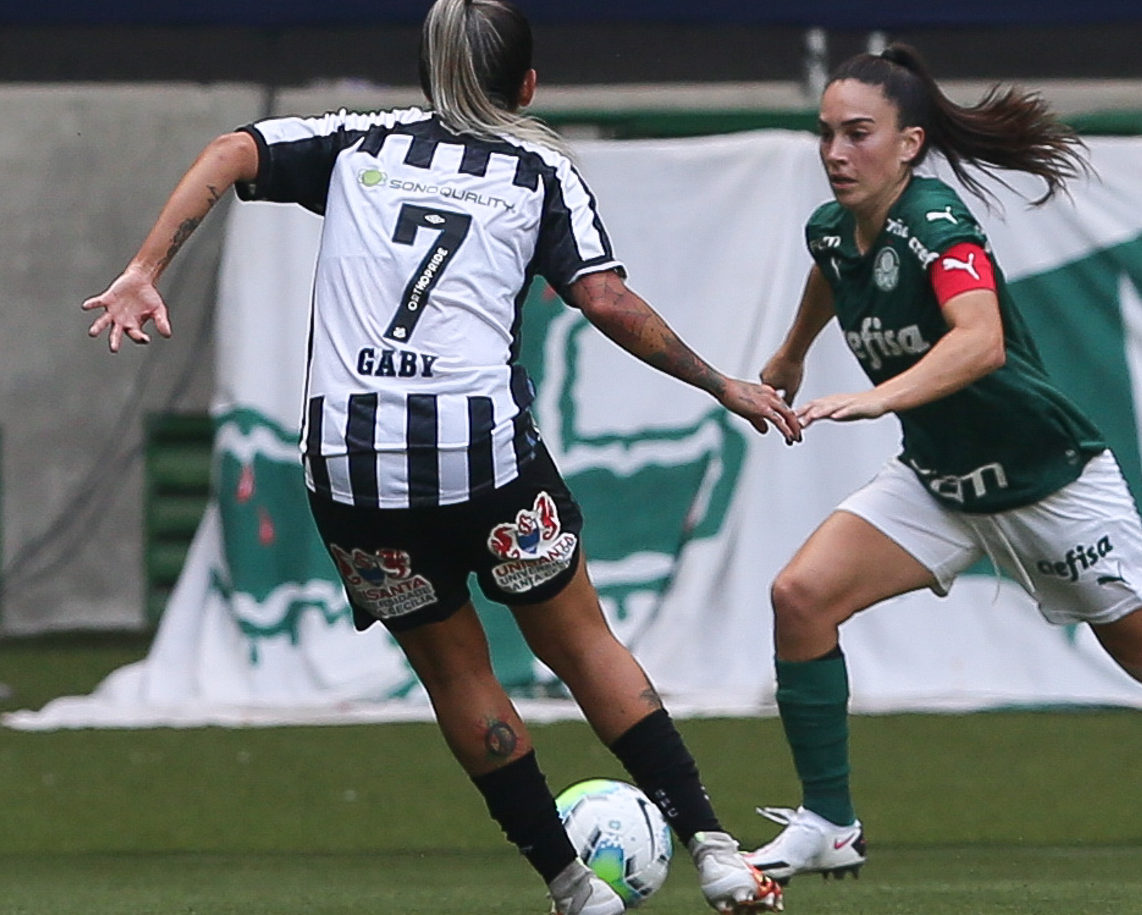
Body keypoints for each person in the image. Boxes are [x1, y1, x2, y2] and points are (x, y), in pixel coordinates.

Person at [81, 2, 794, 913]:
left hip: (351, 468)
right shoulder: (540, 168)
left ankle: (574, 887)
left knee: (458, 672)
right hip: (480, 459)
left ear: (424, 78)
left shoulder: (356, 142)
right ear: (528, 85)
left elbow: (230, 150)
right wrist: (721, 383)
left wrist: (145, 268)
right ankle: (716, 849)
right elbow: (607, 302)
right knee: (581, 642)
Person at [743, 43, 1142, 896]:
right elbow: (834, 269)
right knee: (800, 597)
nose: (835, 153)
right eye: (825, 134)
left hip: (1049, 483)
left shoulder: (938, 225)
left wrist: (877, 398)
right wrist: (789, 355)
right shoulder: (831, 225)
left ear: (911, 144)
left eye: (858, 134)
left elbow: (980, 341)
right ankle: (830, 822)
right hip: (941, 483)